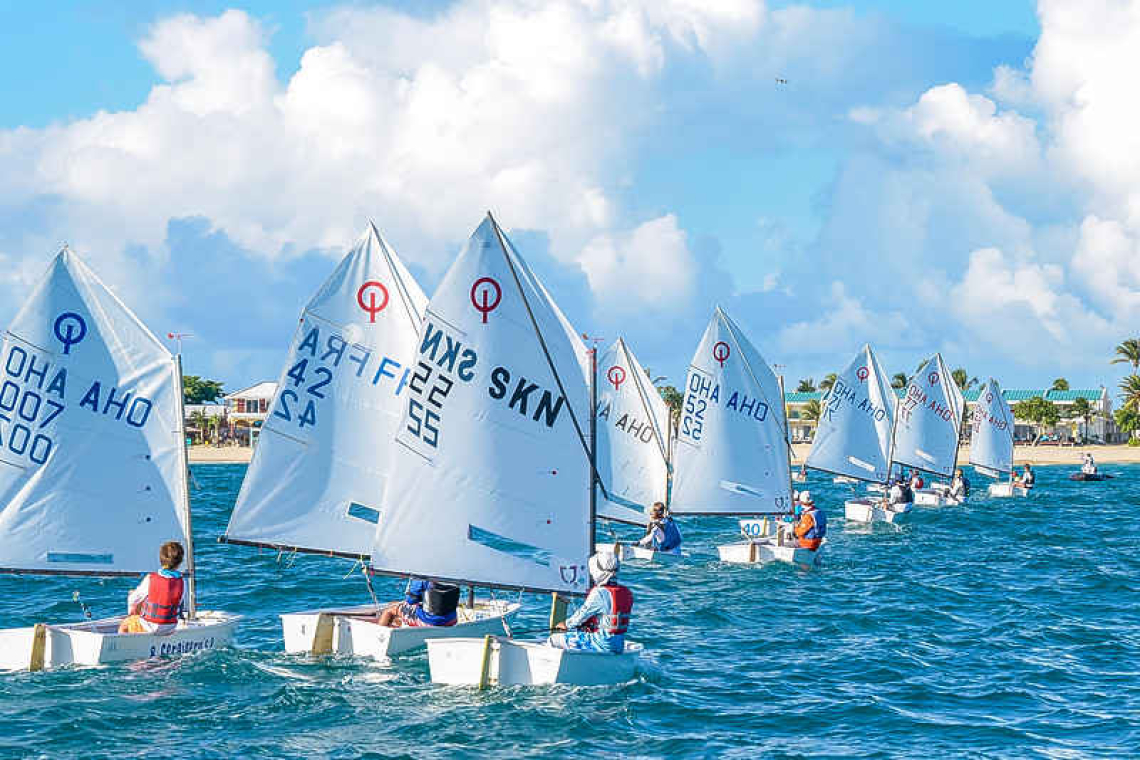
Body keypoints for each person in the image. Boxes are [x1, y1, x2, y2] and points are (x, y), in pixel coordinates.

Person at [550, 553, 632, 654]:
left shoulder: (599, 592)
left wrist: (566, 624)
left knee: (554, 640)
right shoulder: (626, 592)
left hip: (601, 643)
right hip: (618, 645)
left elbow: (582, 614)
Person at [118, 541, 186, 635]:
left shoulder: (151, 578)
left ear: (160, 559)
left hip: (150, 626)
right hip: (170, 626)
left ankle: (123, 646)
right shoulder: (182, 582)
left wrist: (131, 614)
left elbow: (133, 599)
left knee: (125, 624)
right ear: (180, 562)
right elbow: (179, 602)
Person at [377, 578, 460, 628]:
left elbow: (410, 601)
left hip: (427, 622)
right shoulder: (454, 575)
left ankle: (378, 640)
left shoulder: (423, 576)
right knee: (402, 608)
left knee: (390, 609)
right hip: (451, 620)